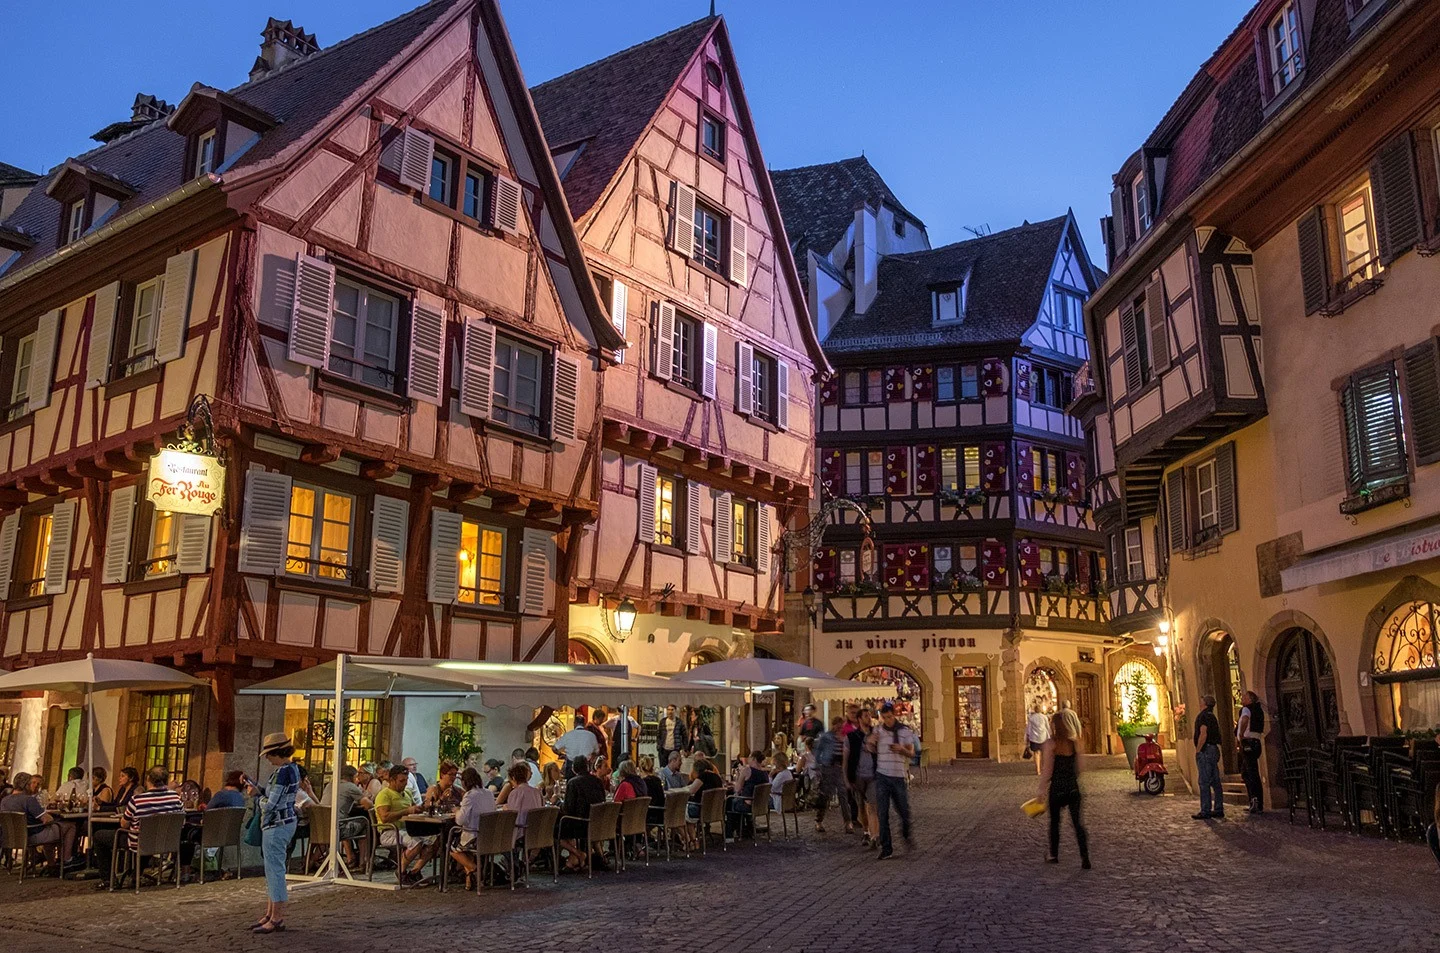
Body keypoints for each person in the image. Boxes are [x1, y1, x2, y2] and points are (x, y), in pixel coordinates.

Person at [245, 735, 300, 932]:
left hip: (276, 825)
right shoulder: (291, 769)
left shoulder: (282, 773)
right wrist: (260, 790)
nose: (268, 759)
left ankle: (276, 917)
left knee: (274, 871)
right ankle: (270, 913)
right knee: (272, 870)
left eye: (269, 755)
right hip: (285, 822)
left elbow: (271, 805)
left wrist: (257, 798)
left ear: (277, 753)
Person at [1038, 709, 1090, 868]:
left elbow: (1047, 770)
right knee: (1077, 824)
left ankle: (1054, 854)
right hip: (1072, 787)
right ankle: (1085, 857)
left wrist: (1041, 789)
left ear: (1054, 726)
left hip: (1057, 787)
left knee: (1055, 822)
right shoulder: (1074, 743)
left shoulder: (1050, 744)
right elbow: (1080, 767)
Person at [375, 764, 439, 886]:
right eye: (401, 781)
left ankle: (415, 871)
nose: (404, 783)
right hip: (390, 831)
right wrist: (407, 811)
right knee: (416, 842)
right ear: (392, 780)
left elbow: (415, 807)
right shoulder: (384, 795)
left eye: (406, 780)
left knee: (434, 841)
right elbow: (384, 817)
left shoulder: (407, 793)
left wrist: (424, 807)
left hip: (408, 828)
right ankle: (401, 871)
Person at [1, 772, 78, 871]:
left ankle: (52, 864)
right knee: (69, 826)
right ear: (26, 785)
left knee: (50, 830)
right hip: (31, 836)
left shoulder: (5, 800)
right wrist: (51, 816)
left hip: (11, 837)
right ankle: (67, 859)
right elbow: (46, 819)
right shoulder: (28, 800)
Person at [871, 702, 916, 860]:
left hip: (898, 776)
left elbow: (911, 753)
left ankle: (905, 834)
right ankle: (886, 847)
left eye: (889, 717)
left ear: (894, 715)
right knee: (882, 813)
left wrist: (902, 750)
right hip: (882, 775)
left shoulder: (904, 731)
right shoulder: (878, 730)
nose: (887, 721)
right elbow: (870, 748)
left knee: (903, 811)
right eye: (884, 718)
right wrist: (871, 742)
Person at [449, 767, 497, 888]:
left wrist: (456, 811)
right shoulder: (488, 793)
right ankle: (469, 881)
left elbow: (460, 820)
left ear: (465, 782)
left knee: (450, 846)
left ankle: (475, 869)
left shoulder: (469, 796)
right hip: (489, 836)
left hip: (474, 836)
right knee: (466, 851)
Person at [559, 756, 609, 871]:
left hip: (581, 824)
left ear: (573, 769)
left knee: (556, 831)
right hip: (598, 823)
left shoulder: (573, 783)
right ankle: (575, 859)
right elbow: (603, 801)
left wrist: (557, 802)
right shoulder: (597, 781)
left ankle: (577, 854)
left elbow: (568, 808)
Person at [322, 765, 372, 867]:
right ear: (352, 777)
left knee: (345, 819)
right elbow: (368, 805)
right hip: (338, 829)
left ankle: (351, 857)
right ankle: (363, 861)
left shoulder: (330, 785)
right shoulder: (350, 786)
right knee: (364, 822)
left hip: (321, 828)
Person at [848, 707, 879, 847]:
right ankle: (866, 831)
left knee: (873, 805)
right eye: (866, 716)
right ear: (860, 719)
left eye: (869, 716)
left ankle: (875, 836)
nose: (869, 718)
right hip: (858, 775)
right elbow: (847, 758)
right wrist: (846, 777)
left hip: (873, 774)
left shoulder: (877, 734)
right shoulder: (853, 736)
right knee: (861, 805)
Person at [681, 757, 725, 851]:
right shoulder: (717, 777)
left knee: (679, 811)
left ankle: (691, 841)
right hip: (712, 810)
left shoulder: (704, 776)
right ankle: (693, 841)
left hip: (699, 809)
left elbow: (691, 790)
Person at [1193, 694, 1225, 820]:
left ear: (1205, 704)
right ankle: (1218, 808)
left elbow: (1203, 733)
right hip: (1214, 749)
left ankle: (1205, 810)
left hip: (1206, 750)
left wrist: (1198, 750)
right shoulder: (1212, 716)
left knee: (1204, 781)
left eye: (1201, 702)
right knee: (1215, 781)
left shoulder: (1203, 716)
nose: (1200, 704)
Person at [497, 762, 544, 845]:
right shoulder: (537, 792)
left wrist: (505, 808)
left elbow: (512, 816)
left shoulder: (515, 793)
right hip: (537, 830)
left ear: (513, 778)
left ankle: (510, 856)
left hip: (521, 832)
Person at [813, 717, 845, 833]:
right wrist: (819, 766)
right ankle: (819, 820)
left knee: (843, 795)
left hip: (840, 769)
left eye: (841, 726)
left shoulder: (843, 737)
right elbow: (818, 752)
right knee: (825, 795)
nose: (839, 728)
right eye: (838, 725)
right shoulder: (826, 737)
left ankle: (848, 822)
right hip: (828, 768)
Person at [725, 751, 768, 841]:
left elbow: (737, 789)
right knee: (735, 801)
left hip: (747, 804)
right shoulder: (765, 773)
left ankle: (729, 834)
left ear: (754, 759)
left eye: (749, 757)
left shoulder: (747, 770)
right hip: (760, 805)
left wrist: (738, 778)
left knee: (729, 802)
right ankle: (744, 829)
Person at [1236, 691, 1266, 814]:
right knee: (1247, 772)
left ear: (1250, 699)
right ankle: (1254, 801)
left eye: (1244, 697)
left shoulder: (1246, 709)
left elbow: (1244, 720)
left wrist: (1241, 735)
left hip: (1248, 743)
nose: (1242, 699)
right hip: (1256, 742)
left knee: (1251, 772)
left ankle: (1255, 801)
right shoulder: (1258, 710)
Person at [1026, 701, 1051, 775]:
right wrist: (1050, 735)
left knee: (1036, 753)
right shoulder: (1044, 717)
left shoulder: (1031, 718)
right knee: (1044, 753)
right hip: (1043, 737)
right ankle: (1044, 768)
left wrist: (1028, 736)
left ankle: (1038, 770)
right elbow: (1047, 727)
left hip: (1034, 737)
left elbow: (1029, 728)